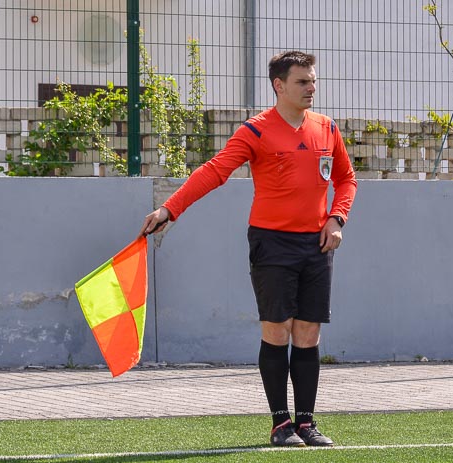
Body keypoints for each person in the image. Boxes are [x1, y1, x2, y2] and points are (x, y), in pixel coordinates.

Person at [139, 50, 357, 447]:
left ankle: (306, 423)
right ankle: (280, 424)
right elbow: (214, 171)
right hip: (271, 242)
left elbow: (346, 179)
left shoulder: (327, 128)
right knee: (278, 330)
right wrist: (171, 208)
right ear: (279, 85)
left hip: (317, 244)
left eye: (313, 80)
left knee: (308, 332)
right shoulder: (255, 131)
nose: (312, 87)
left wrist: (336, 219)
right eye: (302, 81)